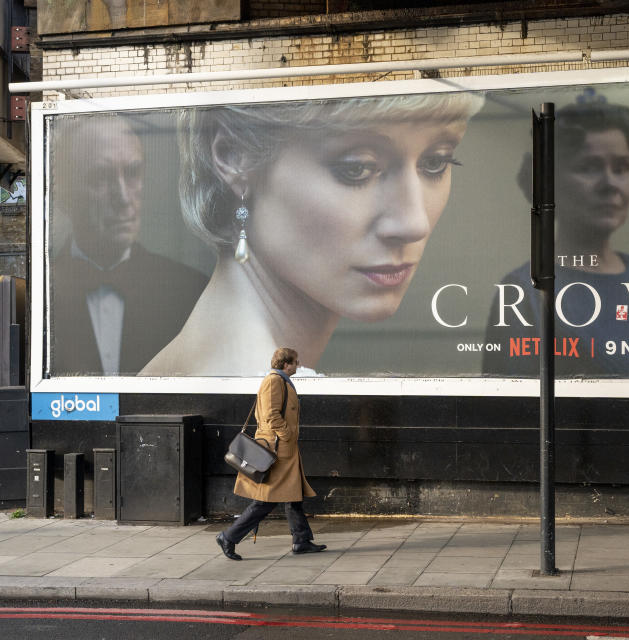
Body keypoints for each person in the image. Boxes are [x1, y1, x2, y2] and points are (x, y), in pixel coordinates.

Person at [141, 92, 483, 376]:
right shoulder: (268, 398)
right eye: (356, 168)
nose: (414, 223)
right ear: (234, 156)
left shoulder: (203, 362)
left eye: (437, 162)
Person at [482, 89, 629, 376]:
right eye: (588, 167)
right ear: (550, 182)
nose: (610, 184)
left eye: (622, 167)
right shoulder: (525, 291)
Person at [49, 115, 208, 376]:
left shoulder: (191, 291)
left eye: (133, 172)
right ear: (66, 194)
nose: (123, 198)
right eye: (101, 177)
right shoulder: (45, 293)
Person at [216, 347, 324, 560]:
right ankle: (229, 537)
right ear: (286, 364)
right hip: (278, 449)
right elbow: (271, 415)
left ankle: (301, 540)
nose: (297, 365)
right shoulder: (274, 381)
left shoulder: (281, 380)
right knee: (266, 501)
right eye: (295, 362)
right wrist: (287, 435)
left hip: (283, 448)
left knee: (293, 496)